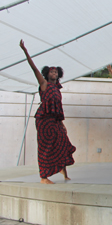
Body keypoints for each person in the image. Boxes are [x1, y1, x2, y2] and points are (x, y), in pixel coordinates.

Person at [19, 40, 76, 184]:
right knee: (46, 147)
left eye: (56, 71)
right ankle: (44, 177)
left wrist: (62, 123)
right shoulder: (44, 84)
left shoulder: (57, 90)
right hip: (44, 120)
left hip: (55, 121)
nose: (54, 73)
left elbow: (58, 108)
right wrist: (25, 51)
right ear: (47, 73)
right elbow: (33, 68)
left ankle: (62, 169)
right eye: (51, 71)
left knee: (63, 141)